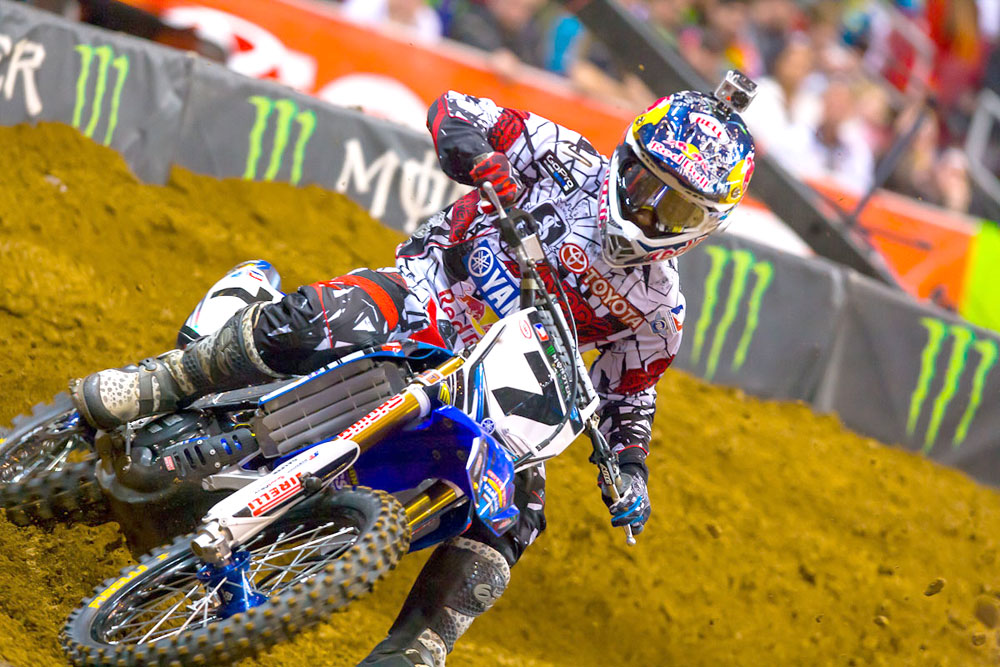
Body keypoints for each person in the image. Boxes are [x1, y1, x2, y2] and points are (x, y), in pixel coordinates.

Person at [70, 70, 759, 667]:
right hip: (427, 297)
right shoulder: (564, 158)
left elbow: (629, 395)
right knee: (317, 319)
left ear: (706, 224)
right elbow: (454, 110)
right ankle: (161, 383)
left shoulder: (659, 309)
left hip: (504, 381)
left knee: (517, 513)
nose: (650, 210)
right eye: (644, 184)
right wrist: (483, 162)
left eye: (677, 207)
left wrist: (630, 469)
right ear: (625, 156)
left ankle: (419, 647)